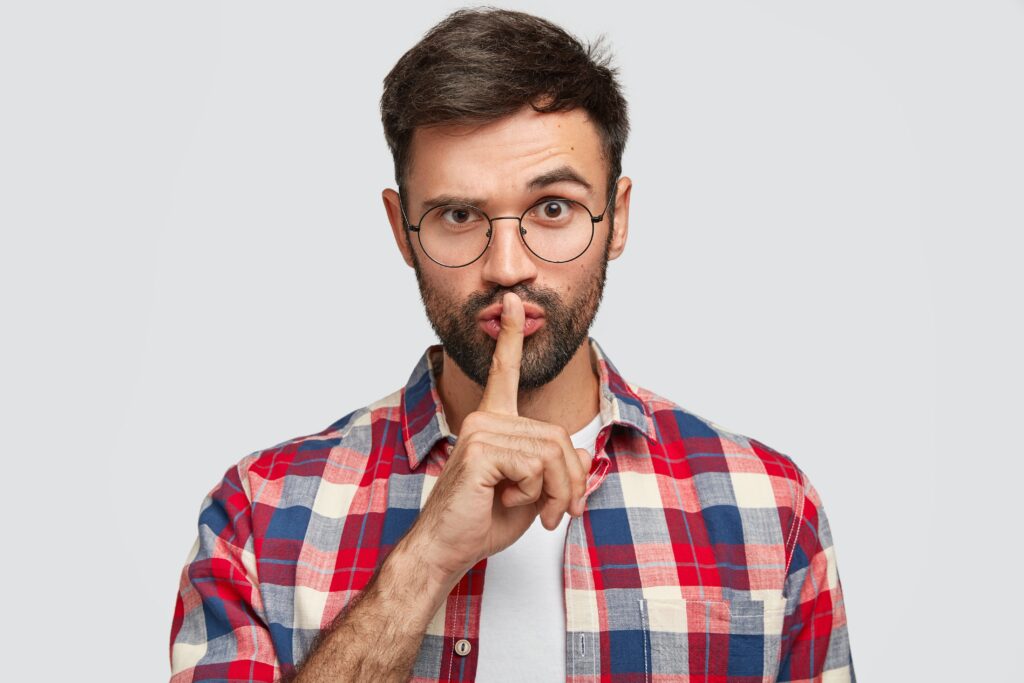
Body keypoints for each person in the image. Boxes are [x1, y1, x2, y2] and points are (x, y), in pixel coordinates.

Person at [169, 7, 854, 682]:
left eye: (552, 208)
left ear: (616, 217)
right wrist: (427, 558)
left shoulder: (769, 509)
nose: (506, 266)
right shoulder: (258, 515)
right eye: (458, 214)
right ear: (401, 228)